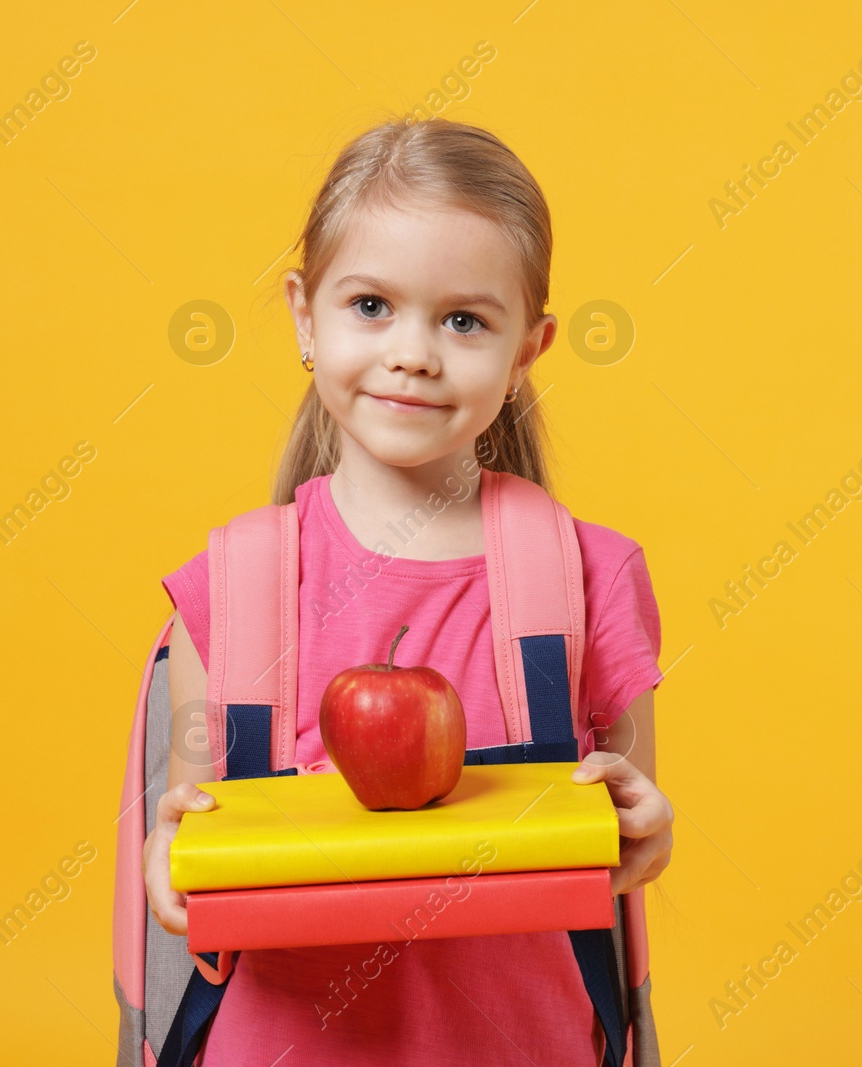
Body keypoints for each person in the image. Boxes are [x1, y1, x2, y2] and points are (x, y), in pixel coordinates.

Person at [142, 114, 675, 1065]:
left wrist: (644, 826)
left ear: (527, 351)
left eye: (464, 320)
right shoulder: (231, 593)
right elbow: (189, 836)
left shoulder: (593, 580)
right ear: (306, 315)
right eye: (372, 306)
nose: (414, 352)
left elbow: (635, 823)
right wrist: (170, 851)